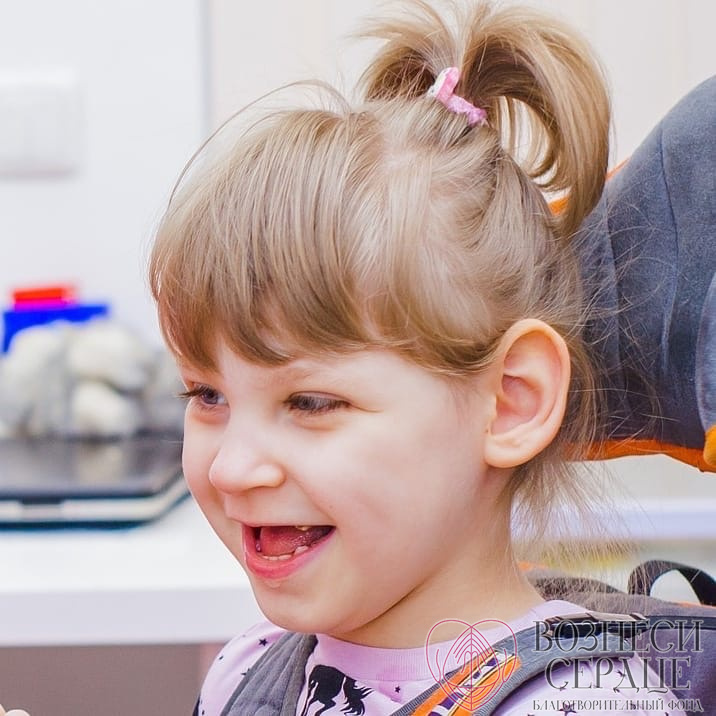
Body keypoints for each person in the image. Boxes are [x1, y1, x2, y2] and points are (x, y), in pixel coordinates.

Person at [149, 2, 688, 714]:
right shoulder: (245, 669)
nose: (230, 468)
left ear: (511, 402)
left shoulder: (585, 703)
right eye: (207, 395)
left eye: (310, 402)